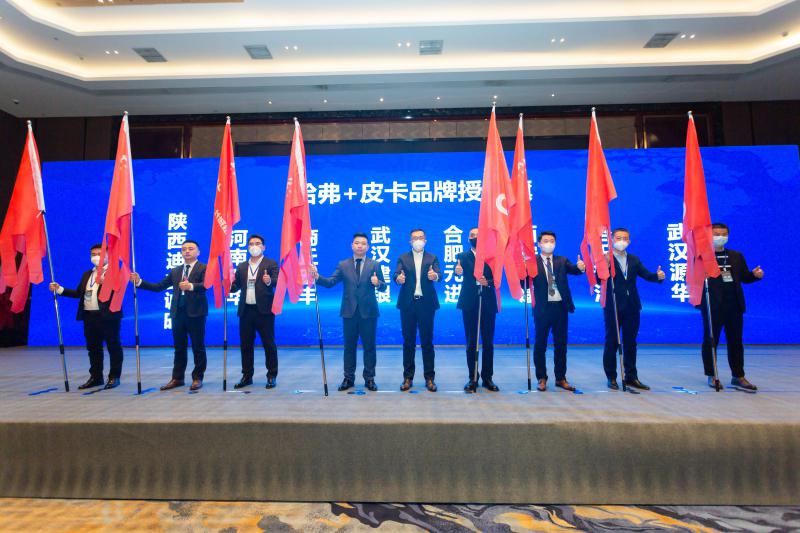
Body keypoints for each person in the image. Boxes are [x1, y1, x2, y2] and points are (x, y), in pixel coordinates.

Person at [311, 232, 387, 391]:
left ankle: (370, 378)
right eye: (357, 243)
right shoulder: (343, 265)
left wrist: (378, 283)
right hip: (349, 312)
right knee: (349, 347)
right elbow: (330, 282)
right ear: (352, 245)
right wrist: (317, 277)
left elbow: (384, 287)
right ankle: (348, 378)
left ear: (368, 247)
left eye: (363, 243)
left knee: (369, 347)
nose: (360, 246)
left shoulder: (374, 264)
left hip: (369, 312)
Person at [131, 239, 208, 391]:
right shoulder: (176, 271)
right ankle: (177, 378)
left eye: (191, 248)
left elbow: (207, 285)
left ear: (198, 252)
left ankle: (197, 378)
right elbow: (159, 287)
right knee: (179, 348)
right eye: (184, 249)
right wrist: (139, 281)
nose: (187, 251)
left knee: (198, 347)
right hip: (177, 314)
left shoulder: (204, 268)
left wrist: (191, 286)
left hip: (196, 314)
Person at [49, 243, 123, 390]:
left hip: (108, 316)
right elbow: (79, 293)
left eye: (99, 254)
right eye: (93, 254)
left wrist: (107, 283)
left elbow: (119, 289)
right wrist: (60, 289)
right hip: (89, 315)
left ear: (108, 255)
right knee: (93, 348)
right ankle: (96, 377)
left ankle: (114, 377)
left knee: (113, 347)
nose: (96, 257)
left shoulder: (115, 272)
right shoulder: (87, 274)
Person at [699, 223, 763, 391]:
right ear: (709, 236)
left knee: (736, 341)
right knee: (711, 341)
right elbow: (692, 279)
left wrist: (755, 275)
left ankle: (738, 376)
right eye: (716, 234)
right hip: (712, 305)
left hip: (734, 305)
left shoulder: (736, 256)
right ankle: (712, 375)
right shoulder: (702, 256)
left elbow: (744, 277)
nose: (720, 237)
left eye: (723, 234)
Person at [602, 228, 665, 390]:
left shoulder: (634, 259)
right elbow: (597, 279)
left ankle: (631, 376)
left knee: (631, 342)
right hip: (613, 306)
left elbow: (647, 275)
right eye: (618, 238)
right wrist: (605, 265)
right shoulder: (605, 258)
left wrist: (657, 276)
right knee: (612, 342)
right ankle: (611, 377)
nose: (621, 241)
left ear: (629, 241)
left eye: (625, 238)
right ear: (612, 239)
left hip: (632, 306)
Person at [529, 231, 585, 392]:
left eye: (552, 241)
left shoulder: (561, 260)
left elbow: (574, 270)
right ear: (539, 244)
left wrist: (581, 267)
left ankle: (560, 378)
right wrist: (521, 272)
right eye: (545, 241)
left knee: (561, 345)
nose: (549, 243)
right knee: (540, 345)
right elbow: (523, 283)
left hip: (560, 307)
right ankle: (541, 378)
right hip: (542, 309)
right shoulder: (532, 262)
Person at [230, 234, 280, 389]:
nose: (254, 246)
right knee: (246, 345)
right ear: (247, 247)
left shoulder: (270, 263)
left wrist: (269, 281)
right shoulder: (242, 266)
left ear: (263, 247)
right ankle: (247, 376)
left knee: (269, 344)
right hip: (246, 311)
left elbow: (278, 281)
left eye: (257, 243)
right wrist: (227, 285)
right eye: (251, 244)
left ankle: (271, 375)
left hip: (264, 311)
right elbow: (236, 286)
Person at [394, 228, 441, 392]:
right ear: (410, 241)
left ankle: (430, 378)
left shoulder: (432, 257)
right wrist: (398, 278)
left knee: (427, 342)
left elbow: (439, 274)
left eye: (421, 237)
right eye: (415, 238)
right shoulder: (403, 258)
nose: (418, 240)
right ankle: (408, 378)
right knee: (408, 342)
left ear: (425, 240)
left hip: (426, 305)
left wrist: (435, 276)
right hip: (408, 305)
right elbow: (396, 274)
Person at [455, 227, 498, 392]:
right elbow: (458, 271)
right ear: (468, 239)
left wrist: (489, 282)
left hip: (488, 303)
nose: (475, 237)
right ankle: (472, 378)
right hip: (469, 304)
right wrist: (457, 272)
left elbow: (497, 279)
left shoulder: (492, 257)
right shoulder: (462, 256)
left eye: (478, 235)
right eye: (472, 235)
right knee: (471, 342)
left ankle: (488, 378)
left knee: (488, 343)